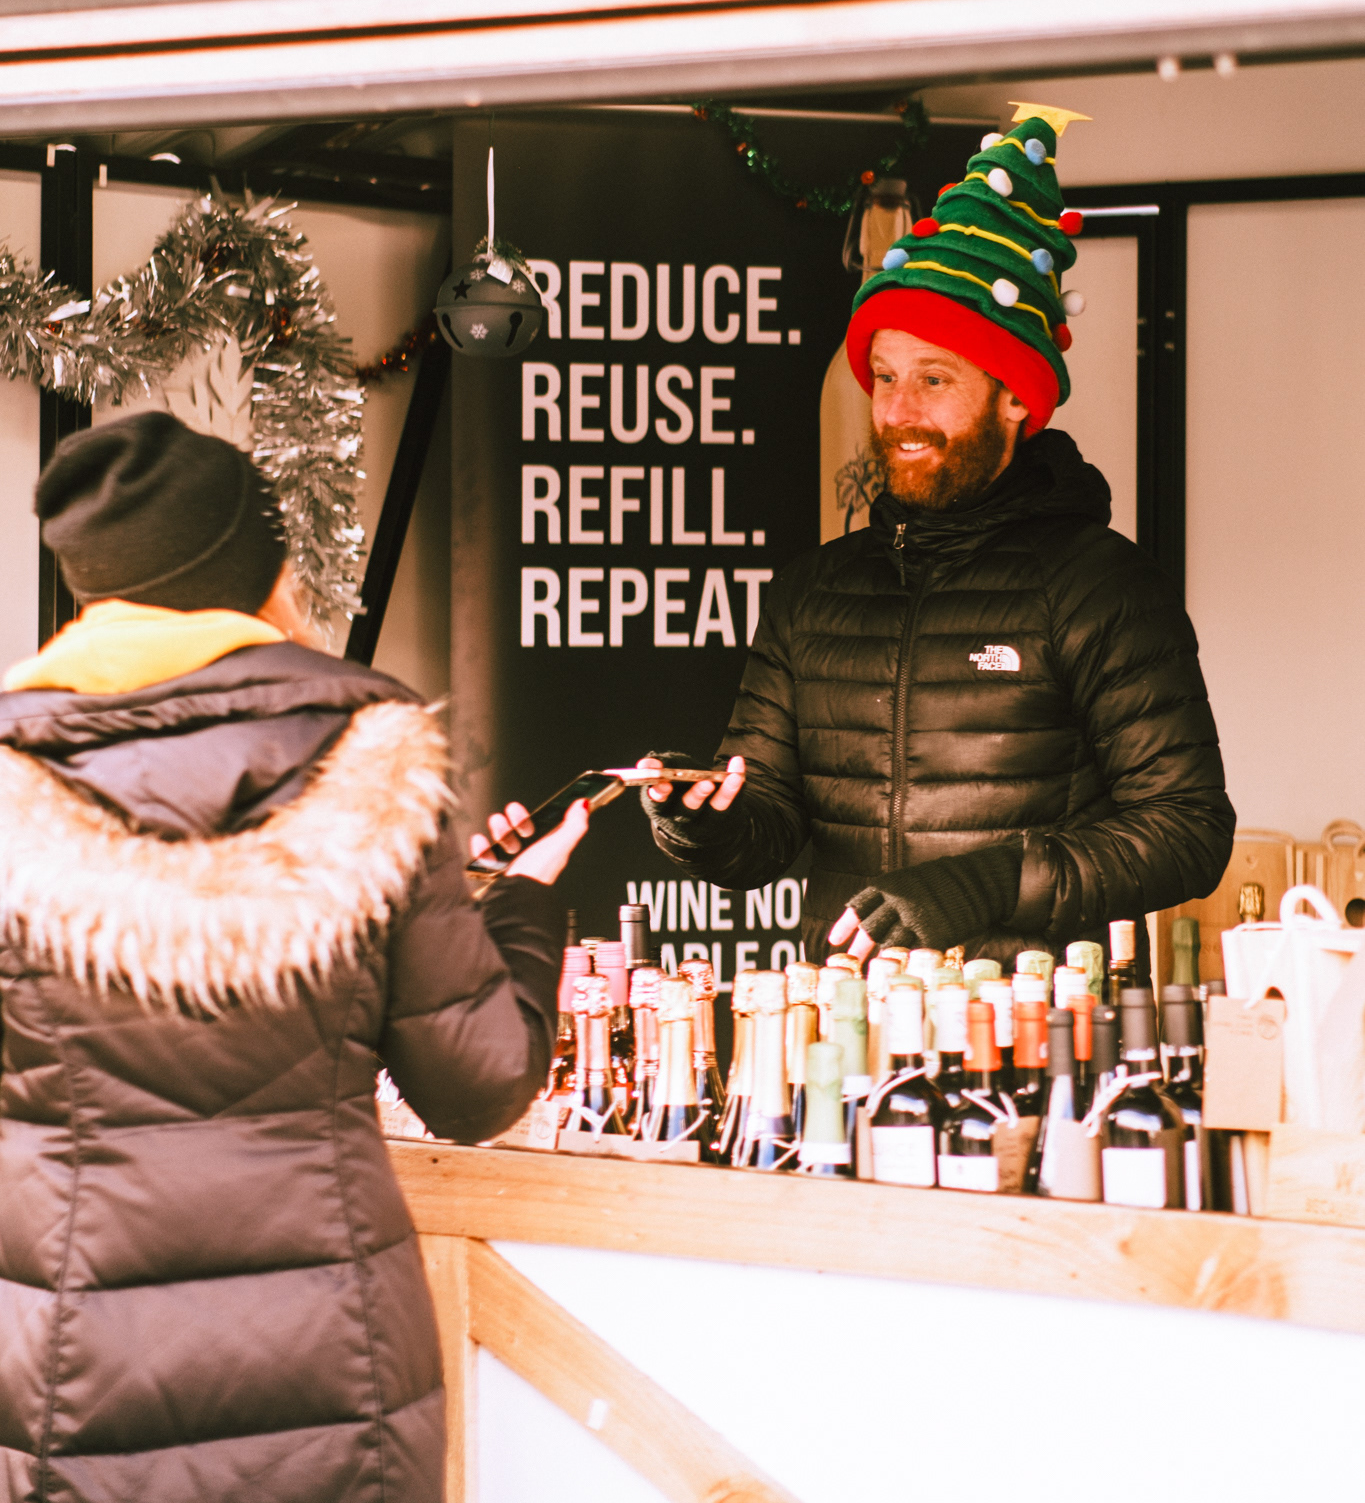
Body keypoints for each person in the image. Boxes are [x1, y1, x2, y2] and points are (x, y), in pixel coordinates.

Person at [0, 410, 585, 1502]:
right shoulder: (371, 754)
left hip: (76, 1376)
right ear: (253, 571)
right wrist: (525, 905)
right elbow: (477, 1084)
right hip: (336, 1369)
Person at [637, 104, 1235, 972]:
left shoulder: (1099, 583)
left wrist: (987, 884)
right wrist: (700, 819)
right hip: (849, 1018)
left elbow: (1186, 829)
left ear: (1015, 397)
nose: (897, 412)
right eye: (883, 378)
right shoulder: (812, 591)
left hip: (1035, 1024)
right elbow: (764, 829)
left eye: (932, 380)